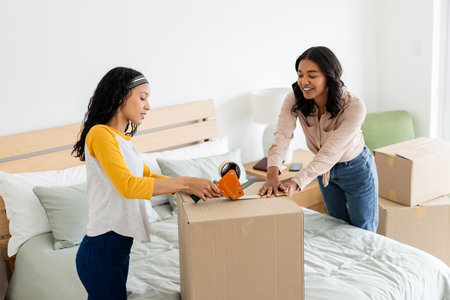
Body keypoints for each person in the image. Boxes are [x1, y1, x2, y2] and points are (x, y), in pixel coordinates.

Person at [72, 67, 221, 299]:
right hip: (102, 248)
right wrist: (186, 183)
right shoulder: (100, 134)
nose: (148, 106)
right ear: (121, 95)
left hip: (117, 247)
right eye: (142, 97)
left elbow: (147, 178)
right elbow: (129, 186)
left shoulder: (122, 141)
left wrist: (193, 185)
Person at [259, 46, 379, 232]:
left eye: (312, 75)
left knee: (364, 231)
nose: (304, 82)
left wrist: (296, 182)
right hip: (324, 173)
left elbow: (331, 152)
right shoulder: (294, 99)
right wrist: (272, 174)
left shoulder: (354, 106)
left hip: (355, 169)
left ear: (330, 77)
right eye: (300, 75)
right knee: (335, 226)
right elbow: (282, 135)